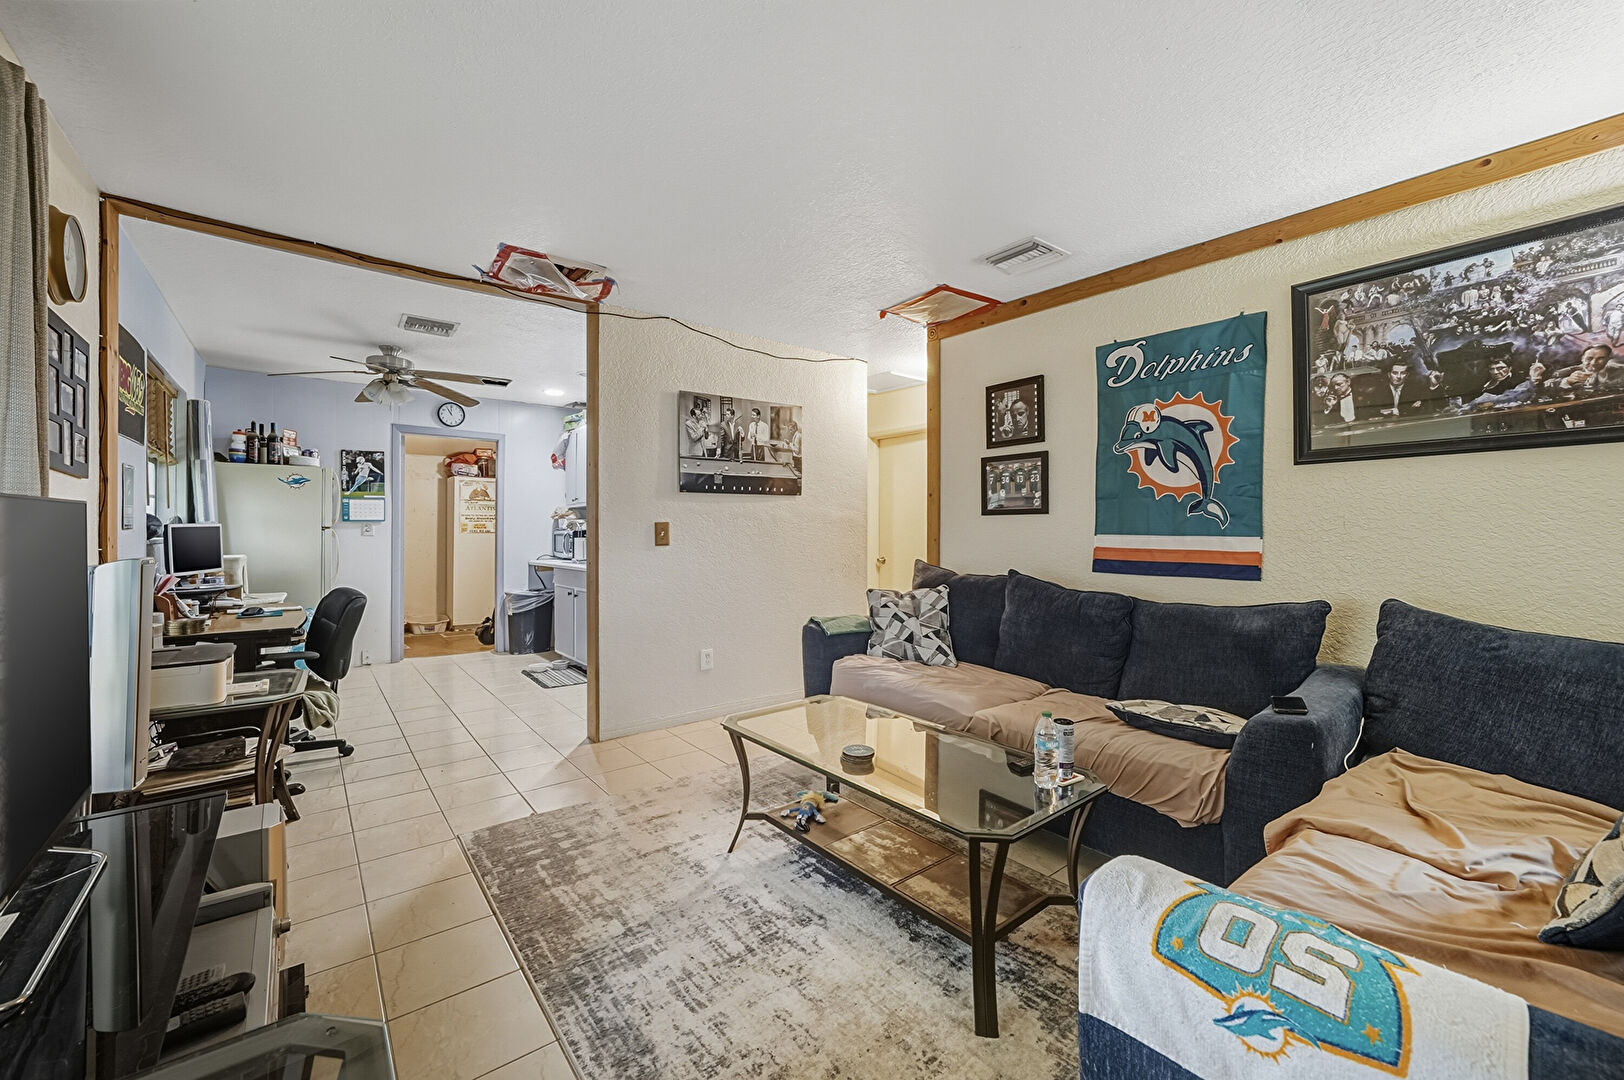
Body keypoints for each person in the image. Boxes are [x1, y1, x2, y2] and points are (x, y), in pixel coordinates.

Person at [1354, 358, 1441, 421]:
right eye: (1395, 373)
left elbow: (1427, 411)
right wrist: (1404, 410)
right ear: (1389, 375)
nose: (1398, 377)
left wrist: (1434, 385)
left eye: (1402, 373)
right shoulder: (1377, 391)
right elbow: (1370, 413)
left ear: (1407, 375)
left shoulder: (1416, 390)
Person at [1544, 344, 1613, 396]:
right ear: (1582, 358)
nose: (1593, 363)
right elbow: (1545, 386)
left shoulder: (1617, 370)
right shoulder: (1567, 371)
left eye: (1600, 358)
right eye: (1589, 358)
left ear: (1608, 359)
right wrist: (1568, 380)